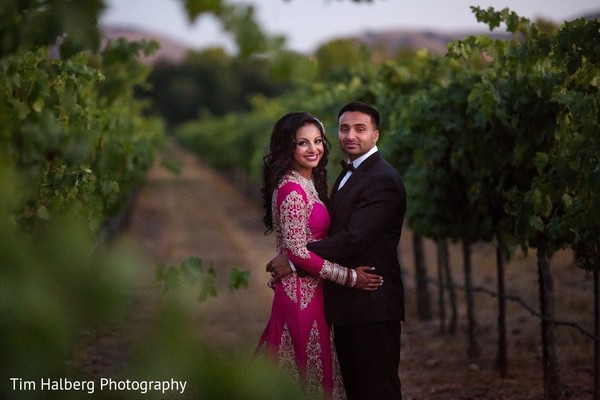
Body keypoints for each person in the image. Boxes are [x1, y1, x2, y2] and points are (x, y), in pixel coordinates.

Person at [267, 102, 407, 400]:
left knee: (377, 389)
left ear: (376, 135)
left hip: (372, 301)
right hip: (342, 303)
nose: (350, 135)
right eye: (344, 129)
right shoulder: (343, 174)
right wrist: (297, 255)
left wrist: (294, 261)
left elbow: (352, 239)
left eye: (360, 129)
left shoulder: (382, 179)